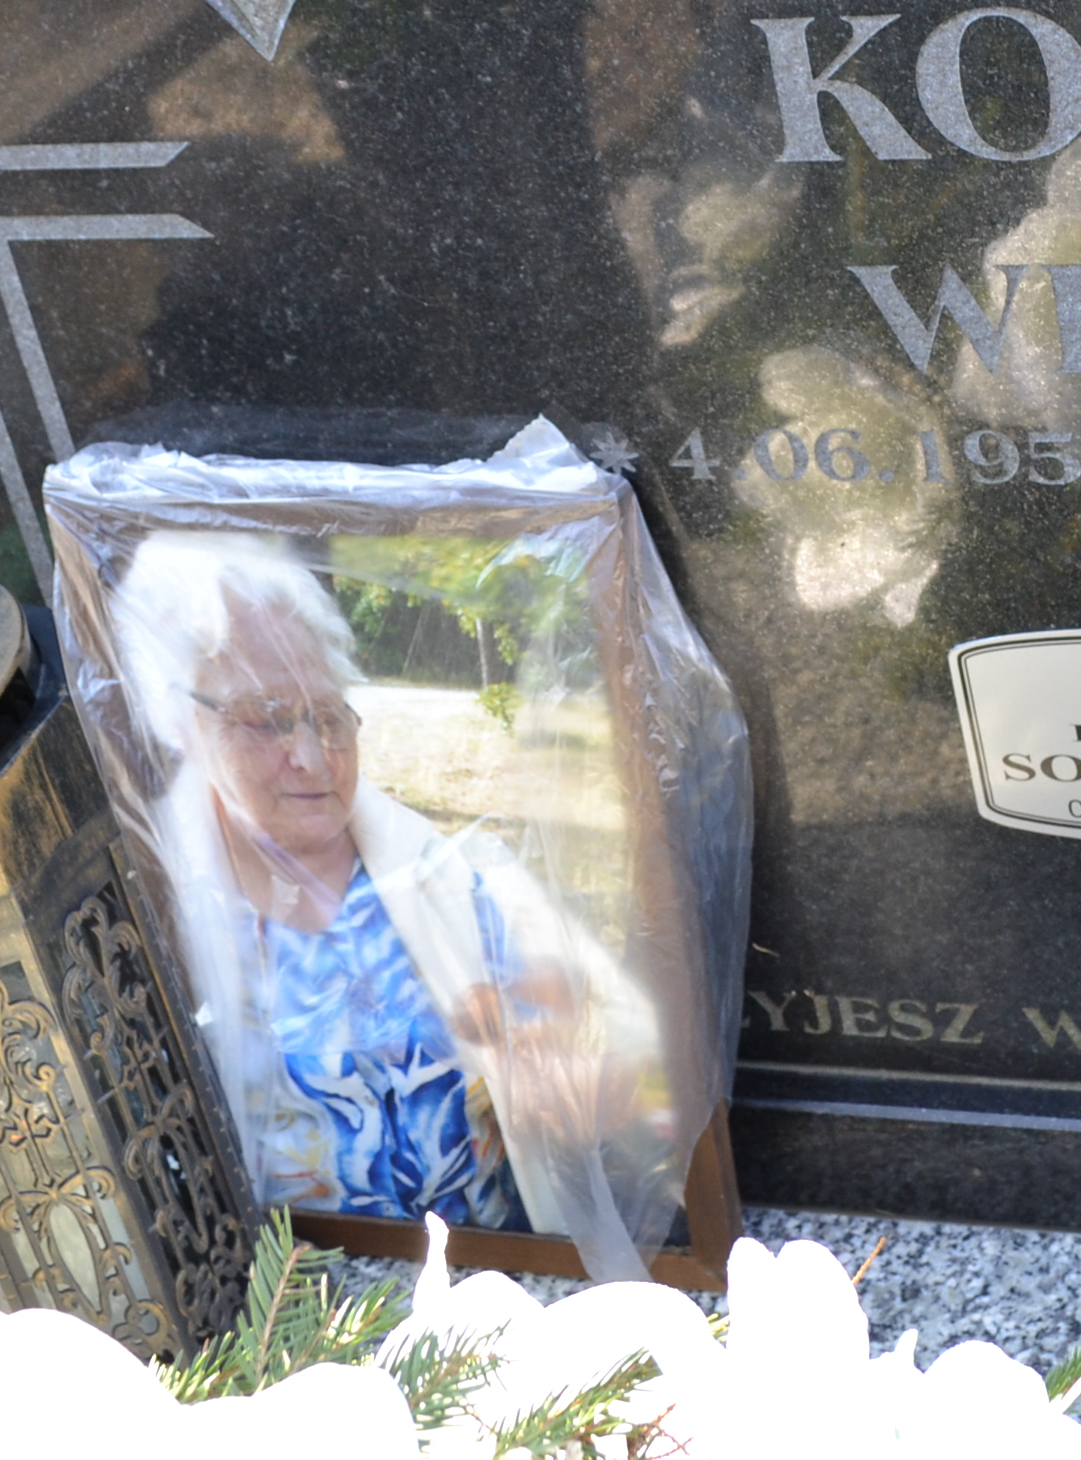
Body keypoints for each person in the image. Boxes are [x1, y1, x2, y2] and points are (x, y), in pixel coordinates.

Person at [106, 532, 669, 1260]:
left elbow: (632, 1050)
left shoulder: (446, 873)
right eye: (267, 719)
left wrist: (591, 1080)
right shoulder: (150, 917)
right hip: (293, 1306)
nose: (312, 756)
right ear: (181, 720)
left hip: (506, 1272)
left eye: (328, 714)